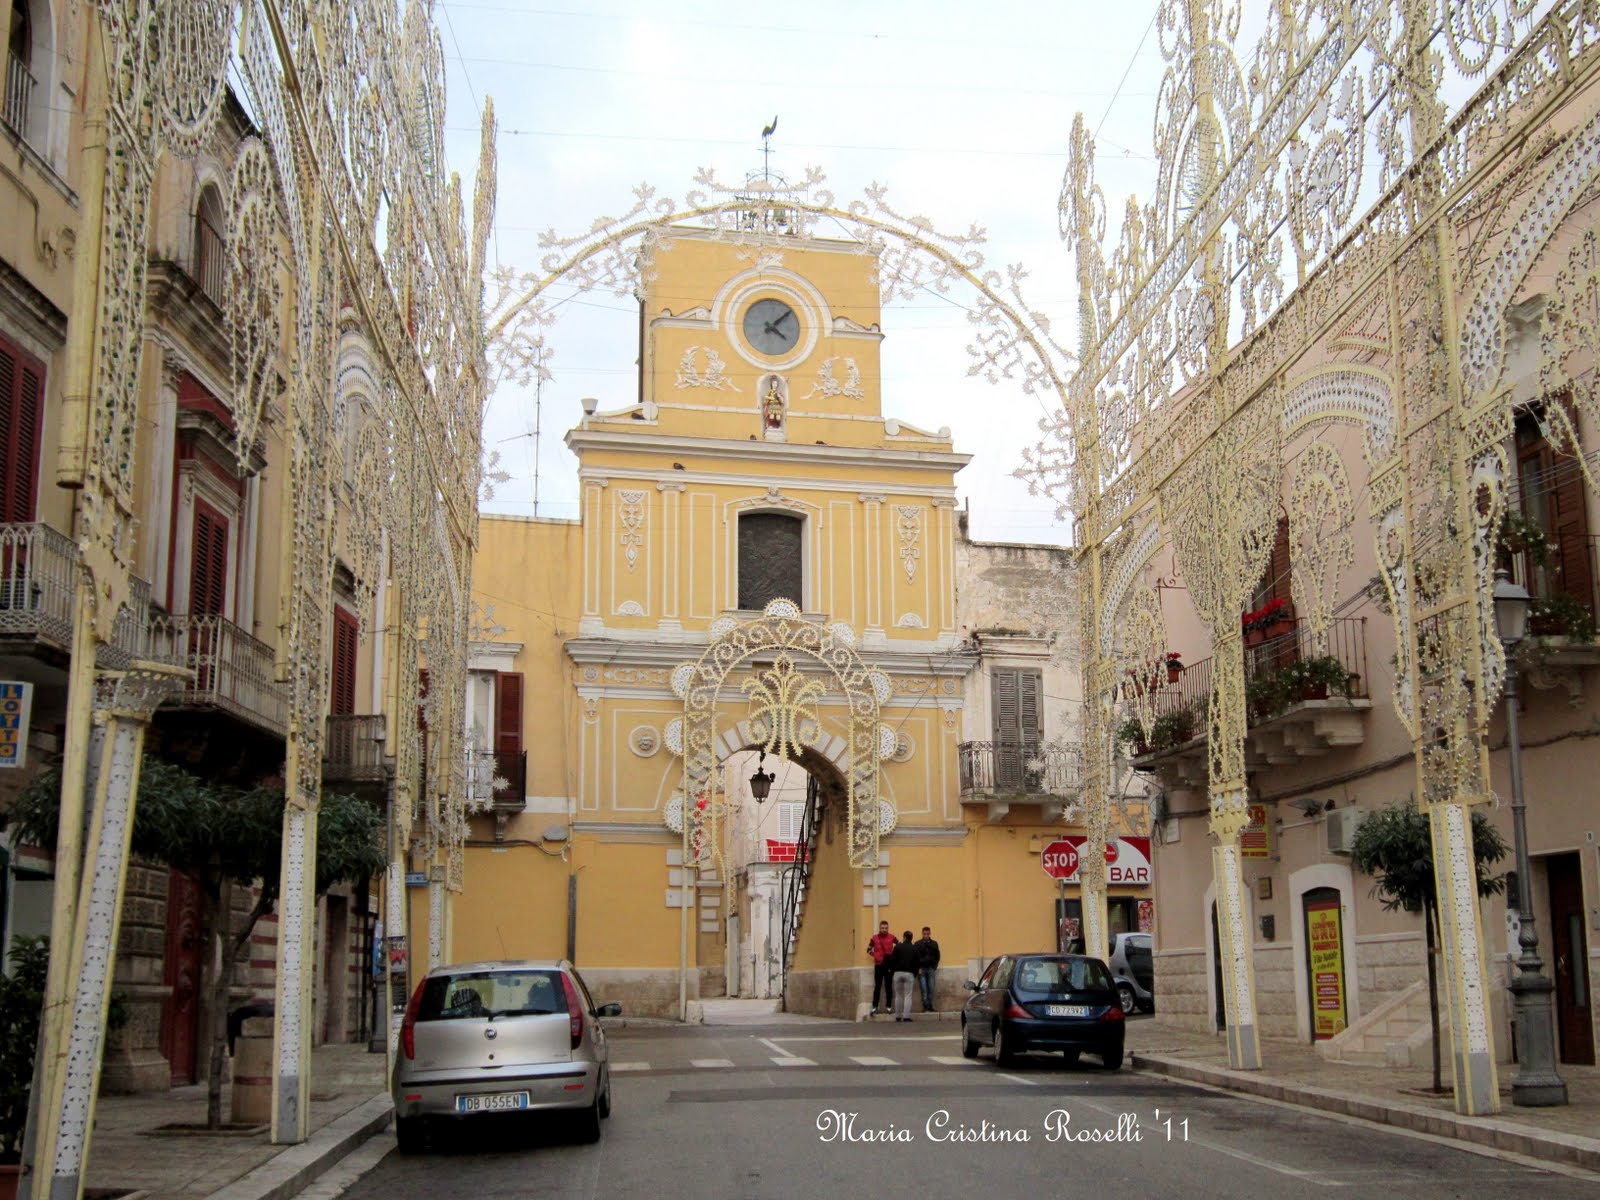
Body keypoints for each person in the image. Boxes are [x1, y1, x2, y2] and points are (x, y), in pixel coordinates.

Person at [868, 920, 898, 1014]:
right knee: (877, 986)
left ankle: (889, 1006)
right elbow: (868, 949)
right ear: (880, 928)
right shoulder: (874, 938)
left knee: (888, 986)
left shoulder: (892, 937)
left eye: (886, 928)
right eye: (882, 928)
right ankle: (874, 1006)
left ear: (888, 928)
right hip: (878, 965)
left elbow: (899, 946)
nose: (884, 930)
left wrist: (893, 957)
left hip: (888, 965)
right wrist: (876, 956)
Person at [890, 931, 919, 1022]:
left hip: (897, 973)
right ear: (911, 938)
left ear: (904, 937)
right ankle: (906, 1016)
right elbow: (917, 962)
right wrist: (915, 973)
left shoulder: (898, 947)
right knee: (908, 995)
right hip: (909, 973)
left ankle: (898, 1016)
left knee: (898, 995)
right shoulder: (914, 948)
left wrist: (893, 971)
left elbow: (892, 959)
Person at [914, 925, 941, 1012]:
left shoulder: (934, 943)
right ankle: (925, 1006)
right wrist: (918, 967)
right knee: (924, 989)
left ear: (930, 934)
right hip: (922, 969)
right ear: (922, 934)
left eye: (927, 934)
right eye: (924, 934)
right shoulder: (917, 944)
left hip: (930, 968)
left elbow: (937, 955)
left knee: (931, 988)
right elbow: (915, 957)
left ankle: (930, 1005)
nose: (926, 936)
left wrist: (935, 966)